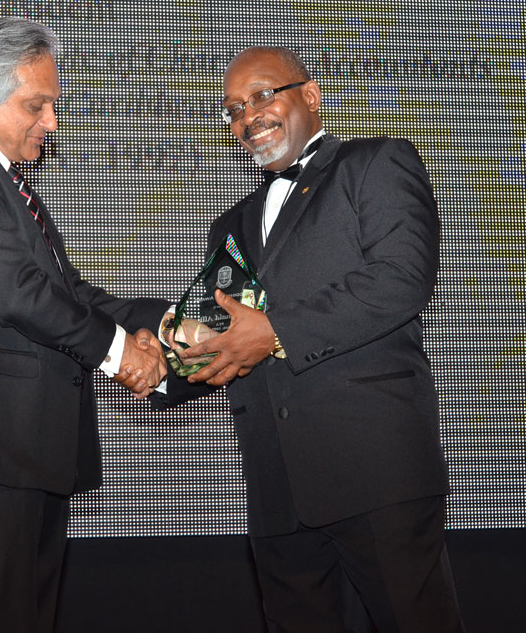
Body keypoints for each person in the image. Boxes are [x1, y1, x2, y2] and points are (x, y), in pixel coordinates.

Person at [162, 46, 463, 631]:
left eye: (261, 95)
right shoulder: (230, 224)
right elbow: (225, 338)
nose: (248, 116)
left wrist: (275, 332)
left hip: (375, 469)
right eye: (233, 109)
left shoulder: (375, 162)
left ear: (311, 94)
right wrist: (161, 361)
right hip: (277, 487)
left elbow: (402, 279)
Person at [0, 17, 168, 632]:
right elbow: (18, 293)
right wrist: (120, 353)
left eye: (53, 105)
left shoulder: (3, 181)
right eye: (36, 105)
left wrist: (172, 324)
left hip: (27, 447)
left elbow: (67, 293)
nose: (51, 121)